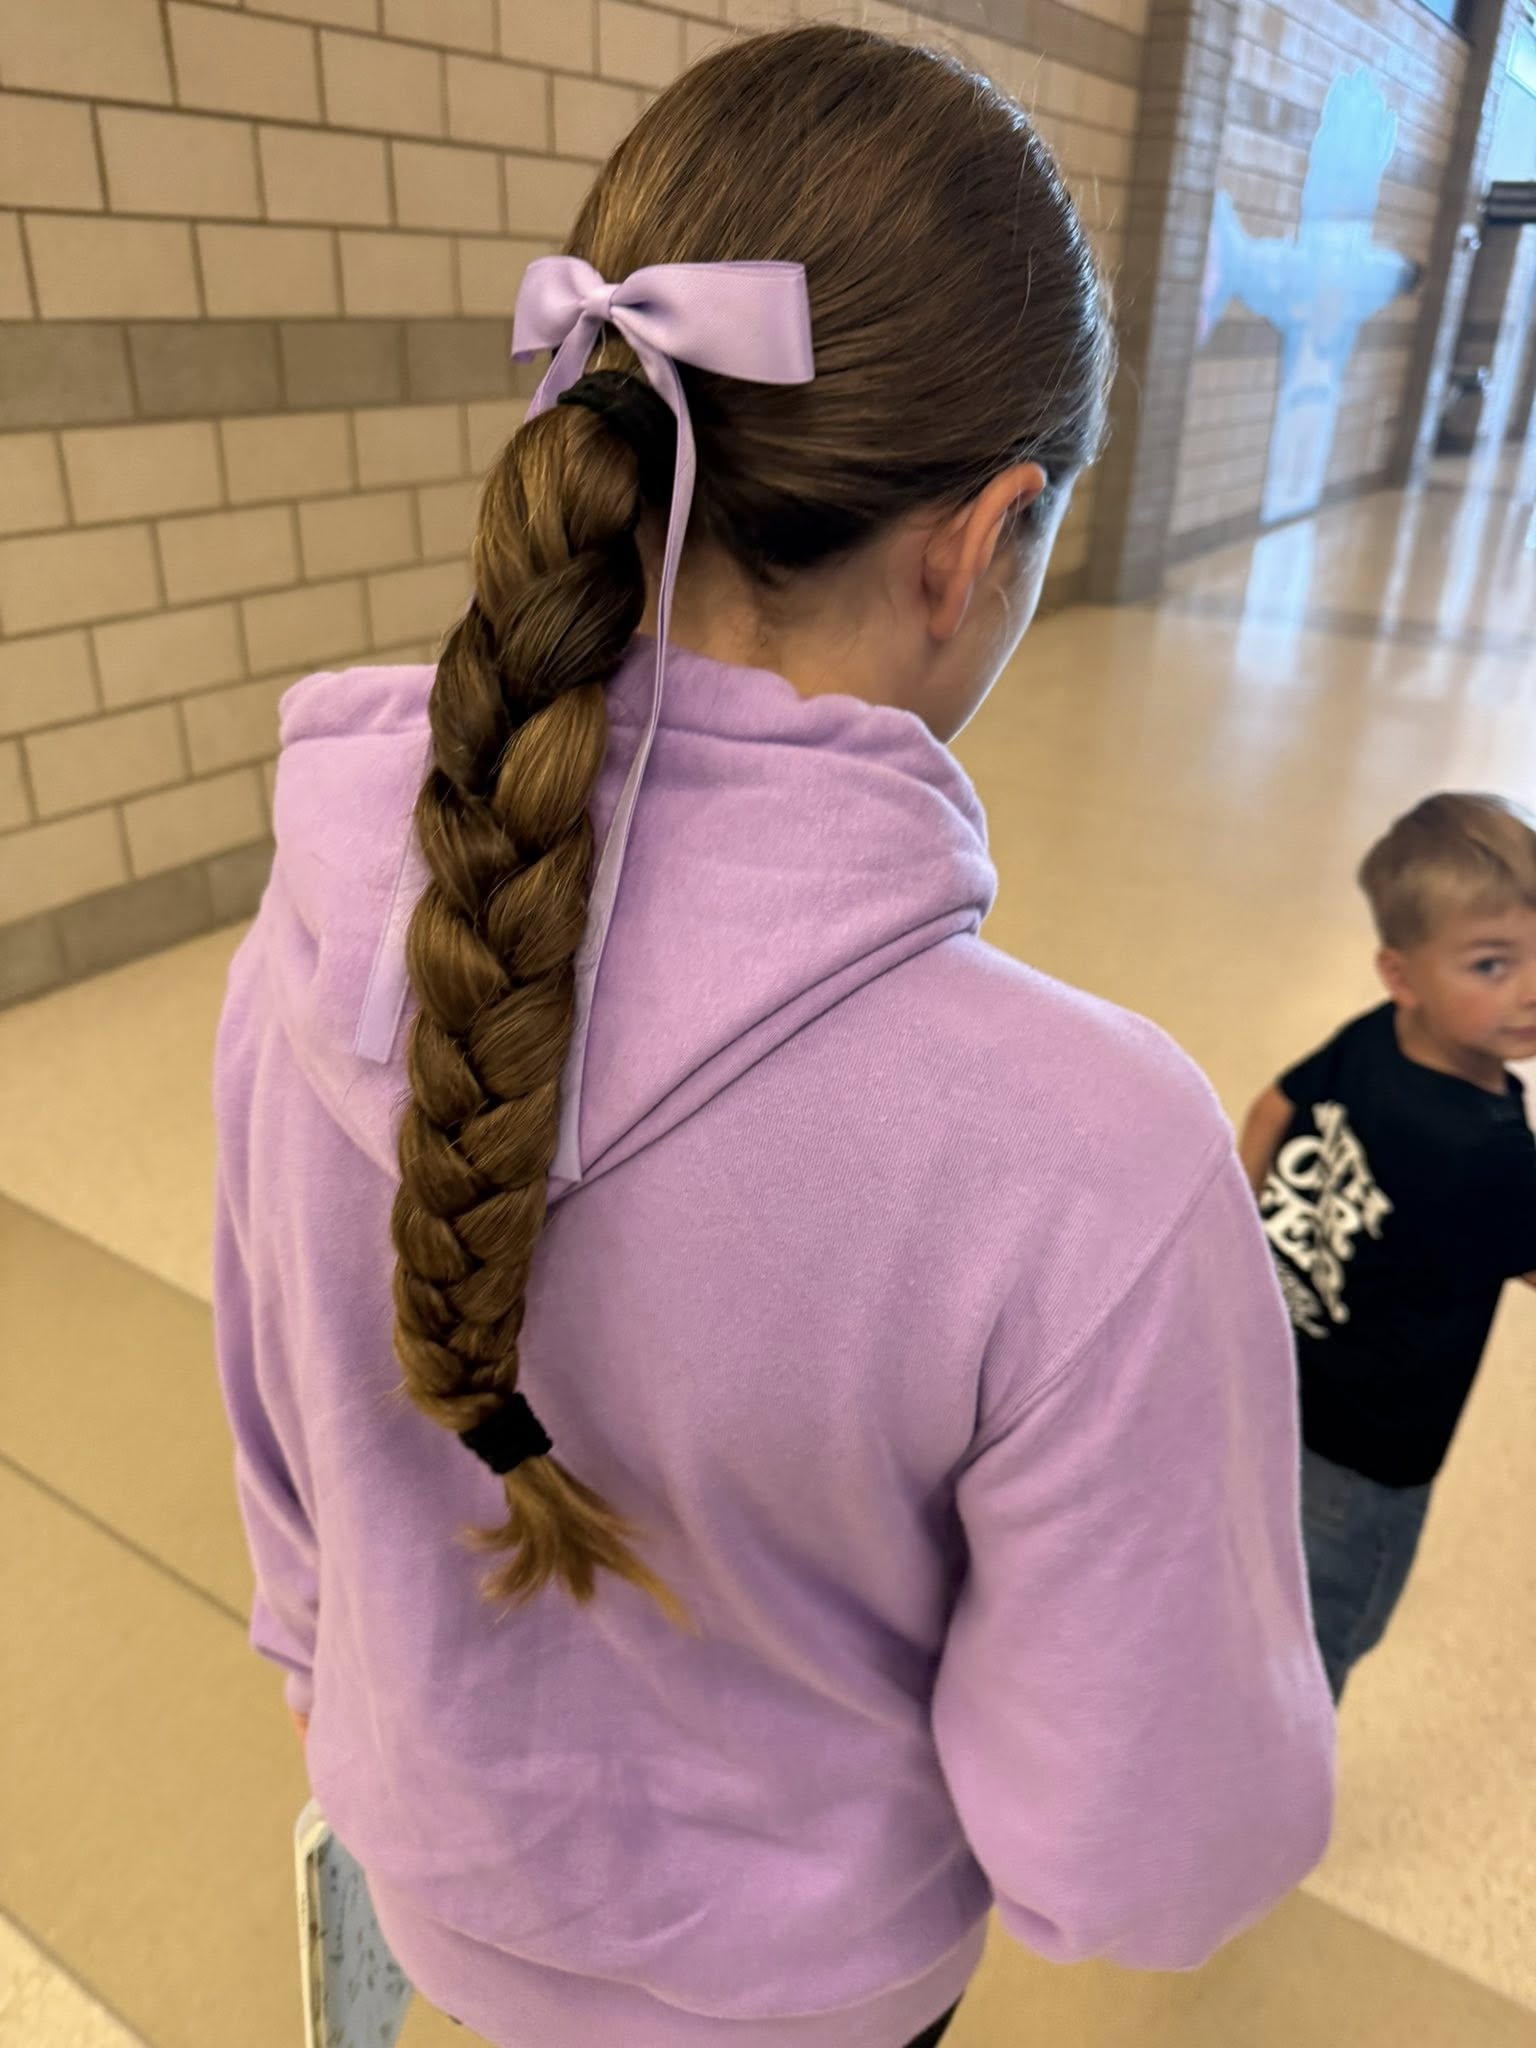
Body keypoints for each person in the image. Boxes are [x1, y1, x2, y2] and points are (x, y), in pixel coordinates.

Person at [213, 27, 1333, 2048]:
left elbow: (291, 1501)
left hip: (449, 1914)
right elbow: (1134, 1856)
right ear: (978, 539)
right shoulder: (1085, 1156)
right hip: (812, 2003)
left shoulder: (307, 942)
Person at [1238, 793, 1536, 1703]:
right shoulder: (1481, 1148)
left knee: (1256, 1584)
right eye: (1492, 964)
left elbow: (1271, 1109)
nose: (1531, 989)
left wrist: (1233, 1247)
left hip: (1273, 1374)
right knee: (1329, 1624)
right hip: (1366, 1458)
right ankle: (1266, 1794)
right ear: (1400, 972)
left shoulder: (1381, 1035)